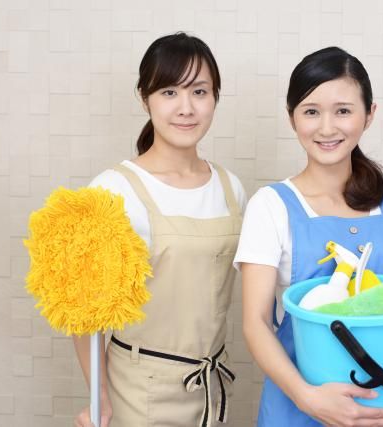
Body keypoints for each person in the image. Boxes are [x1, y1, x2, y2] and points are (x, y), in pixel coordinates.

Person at [234, 47, 383, 427]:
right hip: (297, 408)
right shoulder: (272, 205)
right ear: (292, 117)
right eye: (311, 111)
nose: (327, 128)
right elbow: (255, 323)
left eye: (343, 111)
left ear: (369, 114)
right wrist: (308, 399)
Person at [72, 32, 246, 427]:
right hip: (139, 392)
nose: (186, 108)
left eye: (199, 92)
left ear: (215, 97)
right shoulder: (112, 191)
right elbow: (85, 315)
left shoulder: (230, 188)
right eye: (169, 92)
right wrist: (100, 399)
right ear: (144, 98)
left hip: (211, 384)